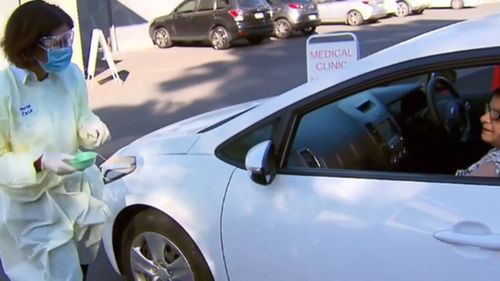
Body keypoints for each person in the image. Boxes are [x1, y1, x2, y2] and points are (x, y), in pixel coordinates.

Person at [0, 1, 111, 280]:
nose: (66, 48)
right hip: (32, 205)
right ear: (27, 44)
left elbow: (82, 115)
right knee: (59, 272)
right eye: (57, 42)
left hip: (76, 192)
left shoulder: (70, 74)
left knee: (84, 259)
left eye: (68, 39)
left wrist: (91, 127)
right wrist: (40, 162)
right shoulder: (5, 90)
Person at [456, 86, 500, 177]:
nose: (483, 118)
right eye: (489, 109)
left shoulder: (494, 165)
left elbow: (464, 190)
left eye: (496, 115)